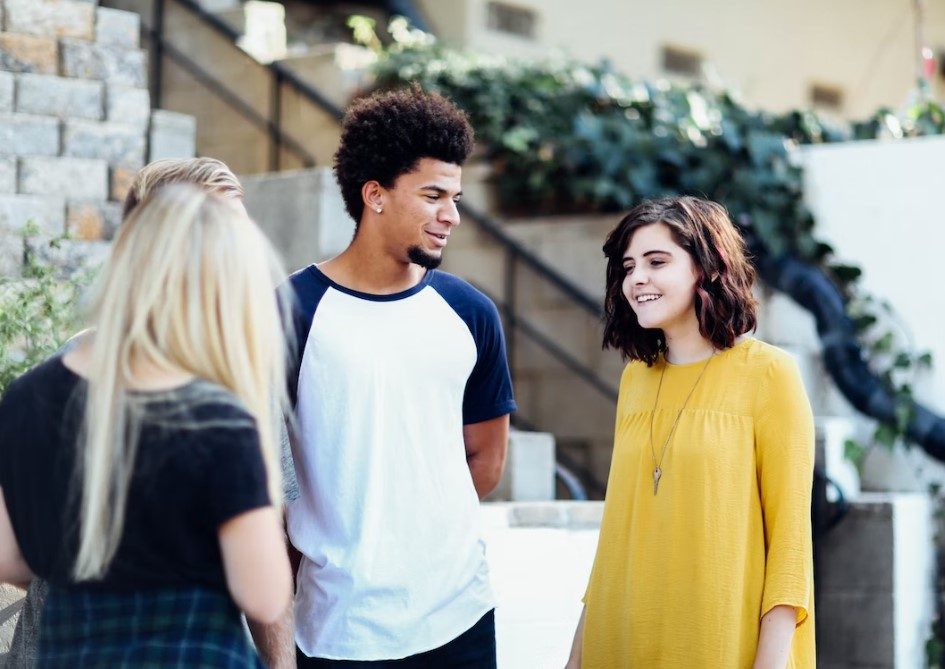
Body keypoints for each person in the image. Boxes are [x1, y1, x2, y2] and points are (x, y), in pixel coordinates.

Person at [2, 156, 300, 669]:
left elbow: (10, 558)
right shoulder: (232, 400)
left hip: (67, 651)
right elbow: (266, 591)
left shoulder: (39, 388)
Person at [283, 85, 516, 667]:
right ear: (375, 194)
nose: (451, 216)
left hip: (457, 615)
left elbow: (486, 461)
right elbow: (266, 473)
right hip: (336, 626)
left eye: (456, 198)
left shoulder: (471, 314)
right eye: (433, 195)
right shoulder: (289, 311)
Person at [566, 196, 815, 668]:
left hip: (718, 642)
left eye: (657, 262)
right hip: (620, 640)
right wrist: (576, 659)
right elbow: (616, 536)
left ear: (706, 267)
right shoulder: (635, 381)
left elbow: (789, 547)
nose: (637, 278)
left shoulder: (769, 375)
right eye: (628, 266)